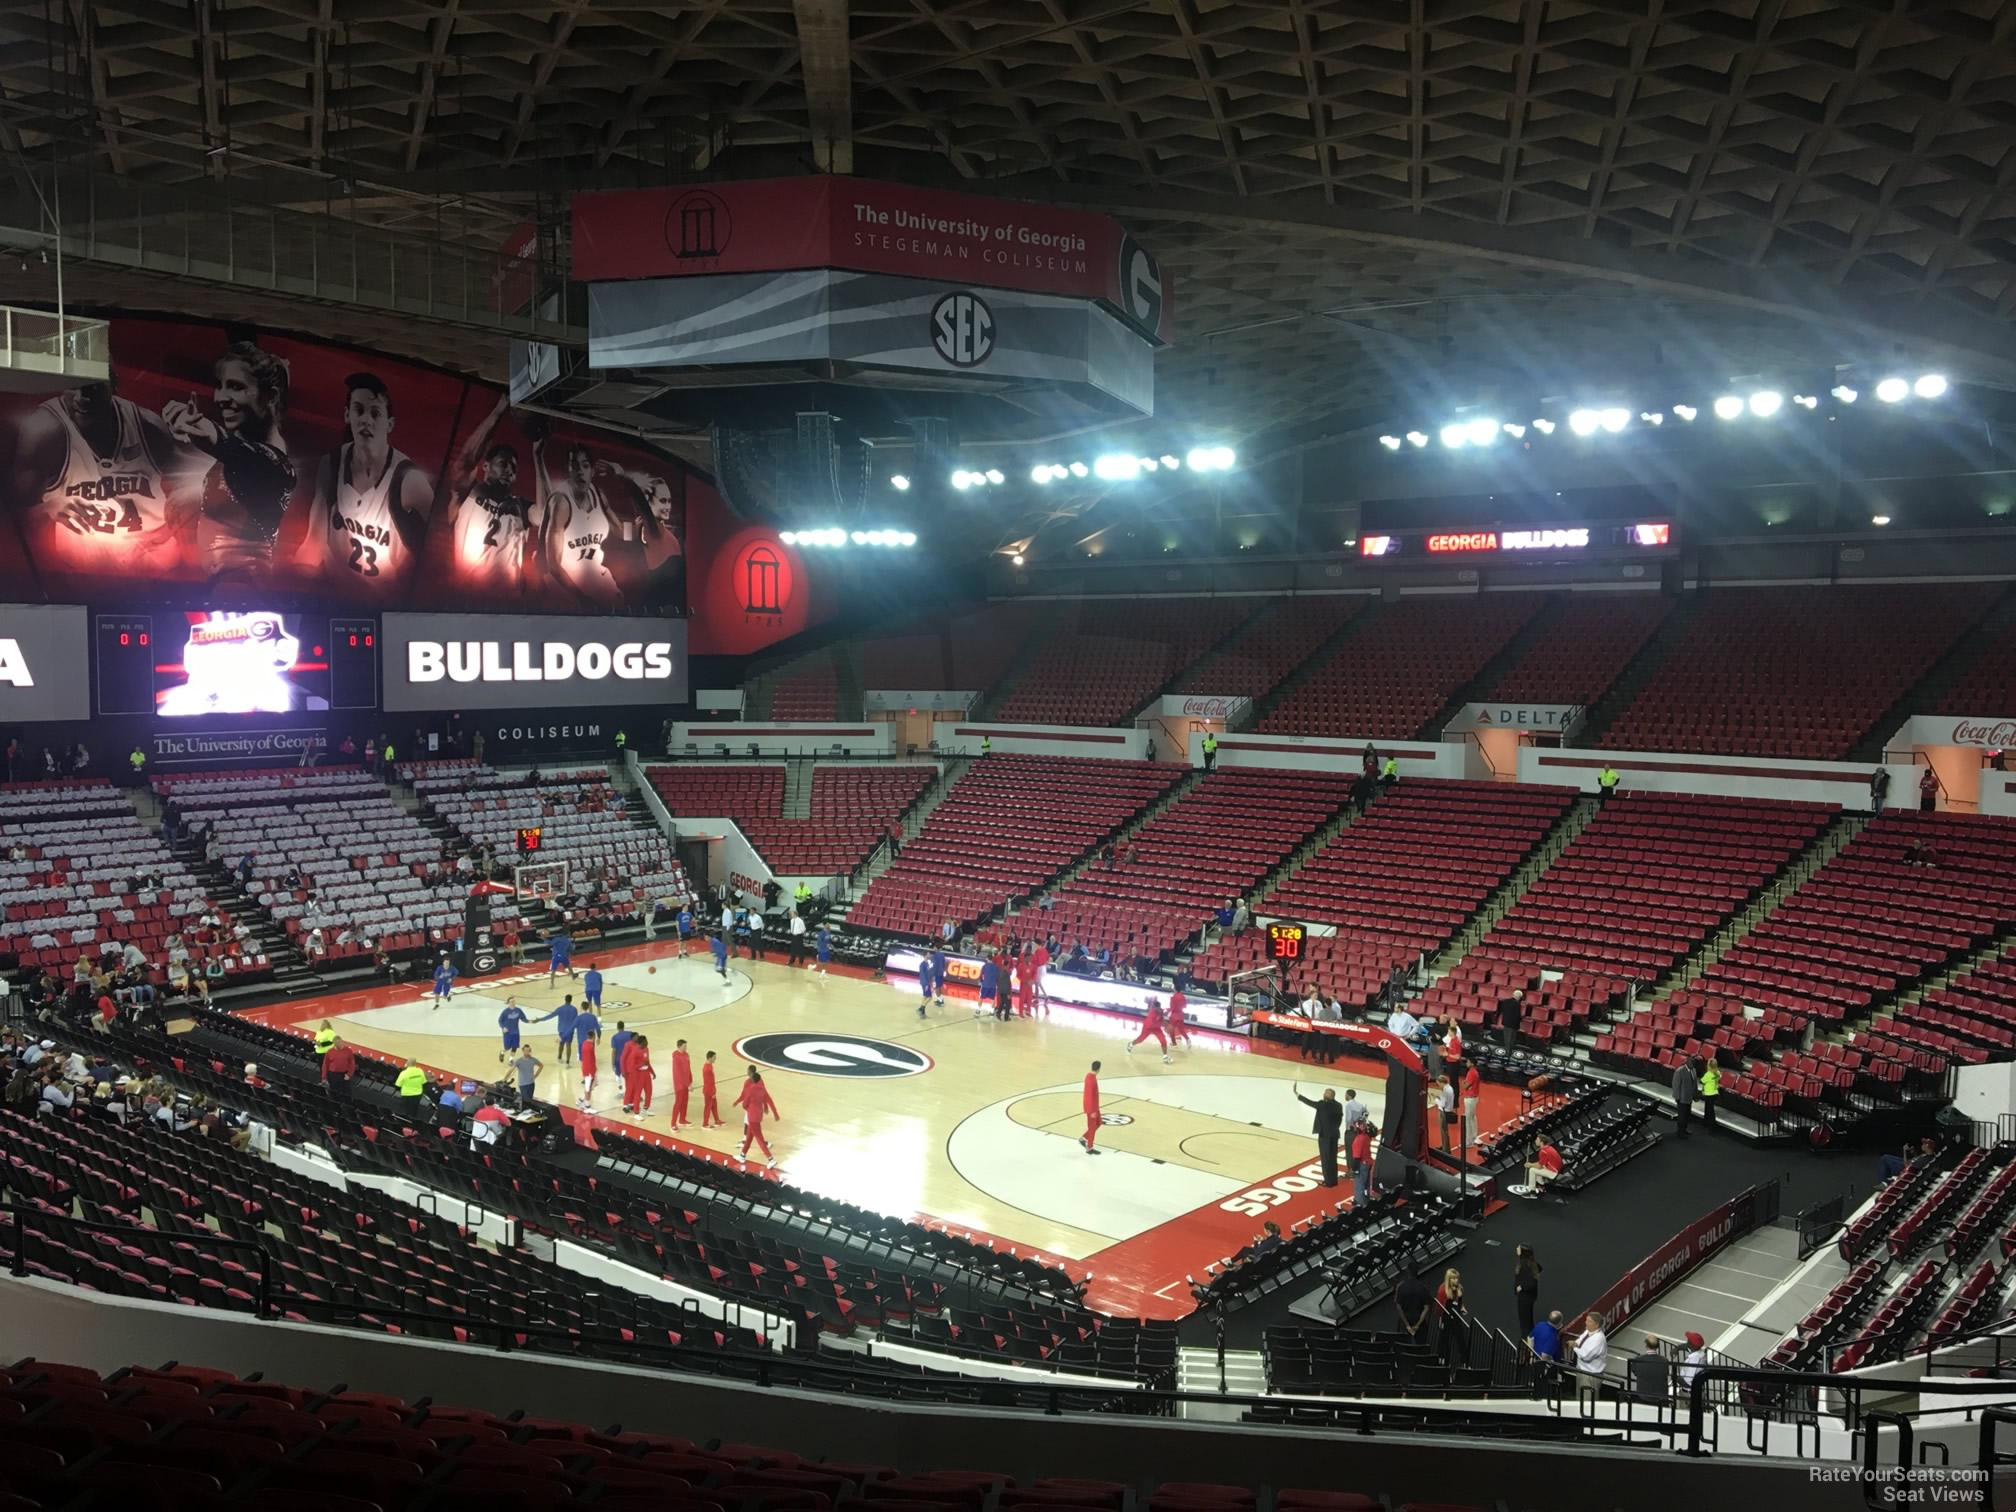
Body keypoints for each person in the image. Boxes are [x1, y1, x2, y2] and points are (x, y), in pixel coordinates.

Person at [1296, 1086, 1344, 1187]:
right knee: (1332, 1158)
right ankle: (1334, 1180)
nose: (1323, 1094)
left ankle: (1328, 1182)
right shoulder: (1339, 1105)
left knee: (1325, 1158)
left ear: (1329, 1096)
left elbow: (1310, 1102)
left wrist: (1297, 1094)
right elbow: (1339, 1120)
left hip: (1325, 1135)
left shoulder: (1322, 1104)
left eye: (1325, 1093)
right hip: (1334, 1134)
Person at [738, 1067, 781, 1166]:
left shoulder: (751, 1089)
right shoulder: (762, 1088)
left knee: (759, 1138)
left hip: (752, 1117)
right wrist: (775, 1113)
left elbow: (745, 1103)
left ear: (753, 1080)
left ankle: (770, 1159)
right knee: (749, 1136)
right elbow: (769, 1100)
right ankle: (742, 1155)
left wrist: (748, 1109)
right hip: (759, 1115)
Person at [538, 994, 580, 1067]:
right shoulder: (574, 1009)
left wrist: (540, 1019)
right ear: (571, 1000)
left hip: (561, 1029)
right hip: (570, 1030)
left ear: (565, 999)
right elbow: (576, 1020)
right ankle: (567, 1061)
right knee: (568, 1045)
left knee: (561, 1043)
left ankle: (559, 1057)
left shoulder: (560, 1008)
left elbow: (551, 1015)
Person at [1395, 1270, 1434, 1346]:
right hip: (1419, 1319)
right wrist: (1417, 1325)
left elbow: (1398, 1306)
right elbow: (1426, 1307)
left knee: (1404, 1346)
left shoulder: (1400, 1287)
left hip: (1405, 1319)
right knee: (1421, 1346)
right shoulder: (1423, 1287)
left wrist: (1407, 1325)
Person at [1569, 1312, 1610, 1382]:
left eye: (1589, 1321)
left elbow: (1586, 1356)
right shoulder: (1588, 1331)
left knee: (1587, 1393)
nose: (1586, 1323)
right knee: (1580, 1392)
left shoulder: (1598, 1339)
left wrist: (1574, 1347)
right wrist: (1575, 1343)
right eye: (1586, 1320)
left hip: (1590, 1375)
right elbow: (1580, 1339)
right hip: (1582, 1371)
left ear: (1597, 1325)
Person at [1128, 996, 1171, 1062]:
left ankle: (1165, 1057)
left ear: (1160, 1007)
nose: (1158, 1009)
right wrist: (1165, 1026)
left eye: (1159, 1008)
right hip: (1148, 1027)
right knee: (1140, 1040)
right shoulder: (1152, 1014)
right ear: (1154, 1008)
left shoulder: (1161, 1011)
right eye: (1156, 1008)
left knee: (1163, 1041)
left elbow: (1162, 1019)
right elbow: (1157, 1021)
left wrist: (1166, 1024)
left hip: (1156, 1028)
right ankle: (1130, 1045)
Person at [1628, 1334, 1669, 1403]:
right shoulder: (1664, 1360)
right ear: (1657, 1346)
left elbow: (1634, 1371)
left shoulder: (1638, 1360)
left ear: (1646, 1345)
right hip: (1660, 1397)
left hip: (1643, 1396)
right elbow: (1666, 1373)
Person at [1514, 1245, 1543, 1341]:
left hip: (1524, 1298)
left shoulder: (1524, 1266)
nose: (1516, 1249)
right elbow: (1539, 1268)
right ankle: (1532, 1337)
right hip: (1531, 1297)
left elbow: (1532, 1283)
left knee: (1524, 1322)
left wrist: (1521, 1287)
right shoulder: (1531, 1263)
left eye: (1518, 1248)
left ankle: (1526, 1343)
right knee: (1529, 1319)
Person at [620, 1033, 654, 1115]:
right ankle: (626, 1105)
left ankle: (633, 1105)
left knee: (638, 1090)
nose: (637, 1037)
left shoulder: (645, 1048)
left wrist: (652, 1071)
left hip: (641, 1072)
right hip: (631, 1071)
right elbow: (624, 1058)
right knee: (630, 1088)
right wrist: (624, 1070)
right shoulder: (629, 1046)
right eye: (636, 1036)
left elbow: (647, 1061)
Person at [497, 997, 532, 1065]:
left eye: (514, 1001)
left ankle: (511, 1060)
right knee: (507, 1048)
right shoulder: (505, 1012)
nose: (513, 1003)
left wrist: (529, 1021)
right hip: (507, 1033)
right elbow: (500, 1021)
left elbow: (523, 1018)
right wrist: (503, 1027)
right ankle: (502, 1052)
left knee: (514, 1047)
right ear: (508, 1003)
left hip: (515, 1032)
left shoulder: (518, 1010)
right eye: (511, 1002)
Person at [1348, 1121, 1375, 1206]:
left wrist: (1354, 1169)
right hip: (1368, 1162)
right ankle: (1366, 1199)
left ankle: (1359, 1203)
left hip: (1362, 1164)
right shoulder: (1367, 1137)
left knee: (1359, 1184)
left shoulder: (1358, 1139)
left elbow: (1357, 1156)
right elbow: (1373, 1132)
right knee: (1366, 1183)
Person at [1081, 1060, 1103, 1154]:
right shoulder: (1092, 1080)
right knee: (1092, 1127)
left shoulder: (1089, 1076)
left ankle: (1084, 1138)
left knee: (1099, 1122)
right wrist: (1092, 1111)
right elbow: (1090, 1096)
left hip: (1094, 1106)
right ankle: (1089, 1147)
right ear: (1099, 1069)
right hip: (1091, 1108)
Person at [1672, 1056, 1696, 1139]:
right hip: (1681, 1098)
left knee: (1687, 1115)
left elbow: (1694, 1084)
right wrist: (1677, 1097)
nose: (1694, 1066)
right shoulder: (1680, 1071)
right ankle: (1680, 1133)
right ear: (1687, 1063)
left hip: (1689, 1098)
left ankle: (1684, 1129)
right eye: (1692, 1064)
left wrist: (1695, 1095)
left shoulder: (1693, 1070)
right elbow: (1676, 1086)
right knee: (1681, 1117)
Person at [671, 1039, 694, 1127]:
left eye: (686, 1046)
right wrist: (687, 1084)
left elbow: (688, 1069)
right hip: (679, 1085)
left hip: (686, 1084)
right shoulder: (676, 1057)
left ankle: (682, 1119)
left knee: (685, 1102)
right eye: (684, 1046)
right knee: (678, 1104)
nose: (686, 1048)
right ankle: (673, 1124)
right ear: (679, 1046)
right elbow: (679, 1073)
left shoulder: (686, 1055)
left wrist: (690, 1081)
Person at [1460, 1060, 1482, 1149]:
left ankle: (1468, 1142)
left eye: (1468, 1062)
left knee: (1468, 1120)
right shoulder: (1474, 1072)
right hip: (1474, 1098)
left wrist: (1463, 1084)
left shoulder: (1471, 1073)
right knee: (1473, 1117)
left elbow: (1465, 1085)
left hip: (1470, 1098)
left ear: (1472, 1063)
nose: (1466, 1063)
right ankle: (1473, 1136)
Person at [1497, 988, 1524, 1053]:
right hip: (1513, 1024)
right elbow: (1517, 1015)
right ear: (1519, 997)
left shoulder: (1506, 1001)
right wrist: (1521, 1019)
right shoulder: (1517, 1004)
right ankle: (1508, 1052)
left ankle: (1506, 1051)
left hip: (1506, 1022)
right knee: (1511, 1039)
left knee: (1506, 1038)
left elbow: (1502, 1011)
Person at [1434, 1075, 1457, 1151]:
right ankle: (1444, 1146)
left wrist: (1436, 1100)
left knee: (1443, 1131)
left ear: (1441, 1083)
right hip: (1447, 1111)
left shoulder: (1445, 1091)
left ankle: (1445, 1148)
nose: (1438, 1086)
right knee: (1444, 1131)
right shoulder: (1450, 1088)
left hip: (1443, 1112)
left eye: (1438, 1084)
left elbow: (1442, 1104)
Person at [701, 1049, 723, 1127]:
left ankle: (717, 1120)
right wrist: (712, 1093)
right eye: (714, 1057)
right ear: (710, 1058)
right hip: (709, 1091)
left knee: (714, 1106)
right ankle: (705, 1123)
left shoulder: (709, 1065)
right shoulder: (708, 1069)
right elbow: (709, 1083)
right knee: (708, 1107)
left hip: (710, 1090)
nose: (715, 1059)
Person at [1699, 1055, 1720, 1129]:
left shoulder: (1708, 1074)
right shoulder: (1717, 1073)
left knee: (1708, 1109)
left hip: (1709, 1094)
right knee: (1710, 1109)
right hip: (1715, 1093)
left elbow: (1701, 1081)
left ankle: (1710, 1124)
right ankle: (1708, 1123)